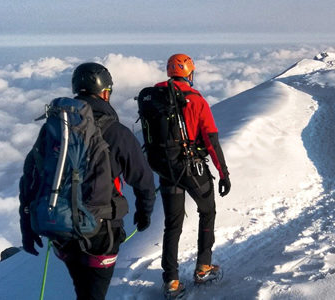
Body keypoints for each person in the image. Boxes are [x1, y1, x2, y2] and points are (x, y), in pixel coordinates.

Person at [19, 62, 157, 300]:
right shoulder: (116, 132)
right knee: (94, 294)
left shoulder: (55, 130)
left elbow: (30, 178)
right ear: (106, 92)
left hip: (61, 229)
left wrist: (26, 224)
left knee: (82, 289)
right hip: (101, 233)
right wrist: (144, 215)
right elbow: (143, 180)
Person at [153, 53, 231, 295]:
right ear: (189, 73)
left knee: (172, 224)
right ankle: (203, 267)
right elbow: (211, 140)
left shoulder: (155, 96)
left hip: (165, 167)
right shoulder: (196, 100)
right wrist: (223, 173)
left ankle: (171, 281)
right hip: (192, 168)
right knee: (207, 211)